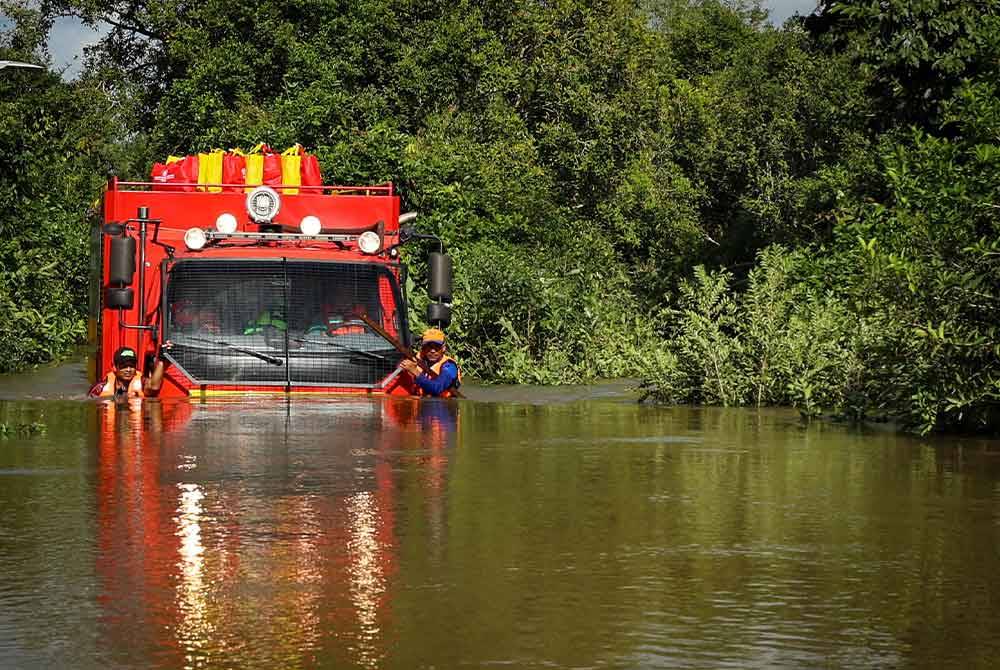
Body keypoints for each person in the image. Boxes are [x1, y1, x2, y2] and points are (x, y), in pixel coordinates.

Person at [399, 327, 462, 398]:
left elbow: (437, 388)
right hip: (421, 403)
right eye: (429, 346)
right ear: (423, 347)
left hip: (443, 406)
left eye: (437, 346)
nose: (432, 351)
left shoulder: (450, 366)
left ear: (443, 348)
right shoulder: (417, 359)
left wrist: (415, 371)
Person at [89, 345, 167, 399]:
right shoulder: (100, 388)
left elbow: (154, 386)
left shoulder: (142, 383)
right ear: (114, 367)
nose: (128, 369)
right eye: (124, 366)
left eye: (132, 366)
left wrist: (162, 359)